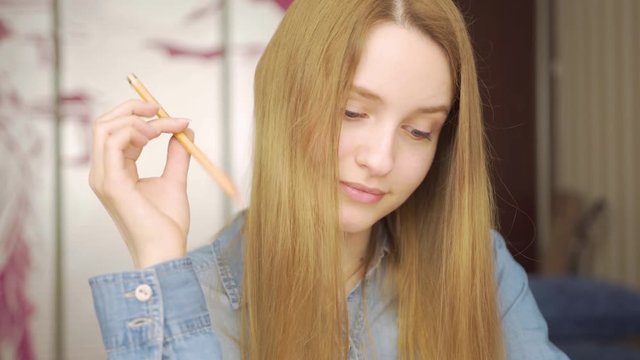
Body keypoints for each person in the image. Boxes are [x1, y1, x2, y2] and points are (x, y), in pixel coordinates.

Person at [88, 0, 569, 359]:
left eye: (419, 131)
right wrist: (156, 257)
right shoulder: (185, 296)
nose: (380, 159)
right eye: (352, 112)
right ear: (285, 103)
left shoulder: (479, 265)